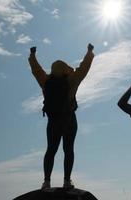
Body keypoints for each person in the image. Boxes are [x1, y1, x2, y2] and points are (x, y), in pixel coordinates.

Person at [28, 44, 95, 189]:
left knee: (50, 150)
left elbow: (36, 70)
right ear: (65, 70)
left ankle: (46, 181)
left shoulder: (46, 82)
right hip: (69, 119)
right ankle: (67, 181)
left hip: (53, 121)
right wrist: (89, 53)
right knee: (68, 149)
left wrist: (32, 55)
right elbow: (84, 69)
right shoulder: (71, 81)